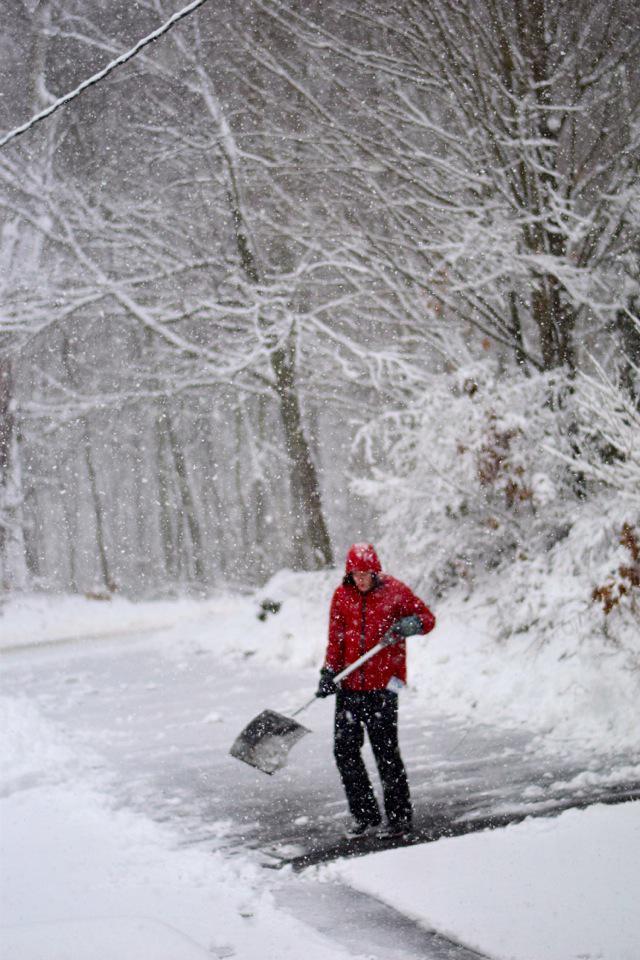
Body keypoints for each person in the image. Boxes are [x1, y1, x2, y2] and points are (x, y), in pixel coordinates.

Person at [316, 542, 436, 837]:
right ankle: (365, 814)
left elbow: (427, 619)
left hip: (382, 687)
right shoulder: (342, 596)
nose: (361, 579)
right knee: (344, 751)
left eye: (366, 574)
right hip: (349, 687)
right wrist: (329, 672)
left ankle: (399, 818)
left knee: (386, 753)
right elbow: (336, 638)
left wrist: (408, 625)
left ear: (375, 571)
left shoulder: (394, 591)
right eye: (356, 574)